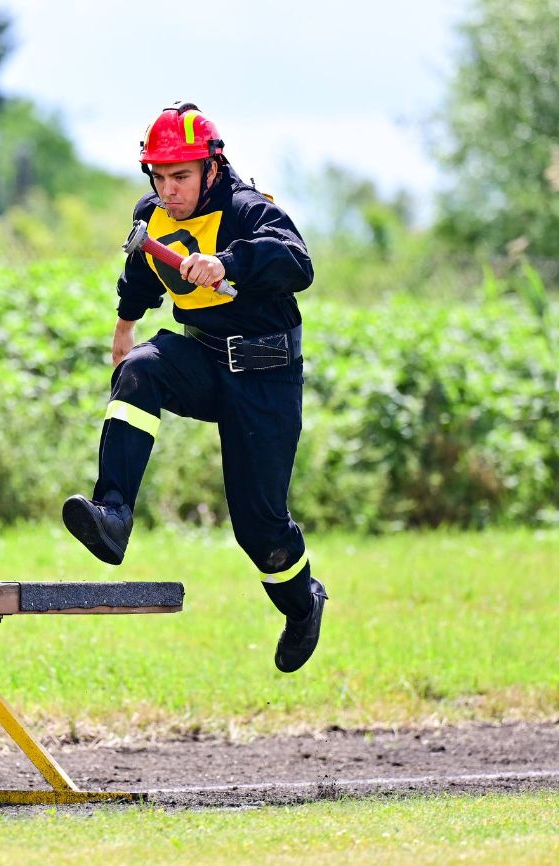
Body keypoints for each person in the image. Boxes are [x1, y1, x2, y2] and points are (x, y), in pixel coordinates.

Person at [62, 101, 326, 673]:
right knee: (140, 369)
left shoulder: (250, 211)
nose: (168, 189)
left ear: (212, 167)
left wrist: (228, 262)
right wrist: (125, 325)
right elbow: (140, 268)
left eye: (179, 176)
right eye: (158, 176)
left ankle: (303, 604)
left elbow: (298, 264)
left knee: (261, 532)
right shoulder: (152, 214)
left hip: (265, 376)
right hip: (202, 359)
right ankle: (112, 515)